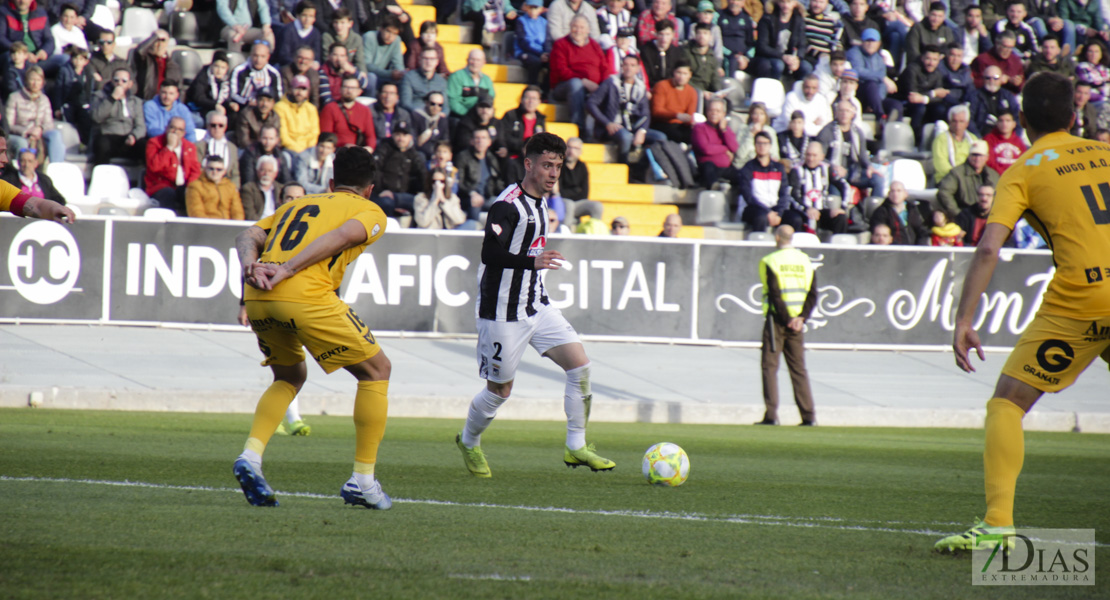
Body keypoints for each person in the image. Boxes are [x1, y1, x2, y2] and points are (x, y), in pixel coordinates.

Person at [936, 71, 1110, 552]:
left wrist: (964, 321)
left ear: (1026, 121)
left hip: (1083, 297)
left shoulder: (1023, 167)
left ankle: (997, 526)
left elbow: (990, 248)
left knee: (1007, 403)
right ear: (1075, 115)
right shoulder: (1106, 153)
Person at [231, 145, 392, 510]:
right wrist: (288, 269)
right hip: (305, 296)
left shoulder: (295, 205)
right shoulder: (370, 211)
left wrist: (249, 267)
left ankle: (251, 455)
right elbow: (344, 236)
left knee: (288, 377)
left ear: (332, 181)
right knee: (377, 371)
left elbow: (247, 237)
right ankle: (363, 481)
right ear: (369, 188)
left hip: (258, 295)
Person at [455, 132, 615, 479]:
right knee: (500, 390)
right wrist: (533, 263)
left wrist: (534, 269)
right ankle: (468, 440)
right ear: (528, 165)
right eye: (546, 165)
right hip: (500, 312)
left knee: (580, 366)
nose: (553, 173)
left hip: (535, 304)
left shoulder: (543, 201)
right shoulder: (507, 205)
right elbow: (490, 252)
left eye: (557, 165)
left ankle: (576, 446)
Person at [755, 225, 817, 426]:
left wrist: (787, 318)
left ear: (777, 237)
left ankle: (772, 415)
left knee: (770, 367)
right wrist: (801, 318)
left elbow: (774, 293)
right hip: (798, 324)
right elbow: (813, 293)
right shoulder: (805, 261)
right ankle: (809, 416)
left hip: (777, 322)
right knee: (799, 369)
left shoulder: (771, 261)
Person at [587, 54, 651, 163]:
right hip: (614, 127)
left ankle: (639, 171)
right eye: (625, 65)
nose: (628, 68)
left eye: (632, 65)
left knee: (660, 138)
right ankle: (623, 169)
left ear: (638, 69)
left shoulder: (640, 87)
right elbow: (591, 103)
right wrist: (607, 123)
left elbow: (646, 114)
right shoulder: (611, 82)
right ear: (621, 66)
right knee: (626, 137)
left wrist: (642, 130)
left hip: (633, 126)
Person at [550, 16, 608, 133]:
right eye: (575, 27)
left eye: (582, 27)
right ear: (570, 28)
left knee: (611, 84)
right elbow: (562, 71)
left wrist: (602, 86)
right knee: (576, 84)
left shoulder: (594, 45)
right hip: (565, 86)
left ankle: (605, 130)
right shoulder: (561, 44)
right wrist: (584, 81)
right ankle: (578, 128)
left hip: (594, 87)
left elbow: (605, 68)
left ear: (588, 30)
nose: (578, 30)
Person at [0, 135, 74, 222]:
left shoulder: (3, 188)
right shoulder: (9, 179)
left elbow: (37, 205)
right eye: (23, 161)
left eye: (30, 161)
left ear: (36, 163)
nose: (5, 160)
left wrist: (54, 208)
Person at [816, 100, 882, 196]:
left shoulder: (858, 132)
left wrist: (869, 166)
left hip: (854, 172)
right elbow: (819, 157)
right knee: (835, 194)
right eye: (841, 111)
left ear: (852, 114)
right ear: (836, 113)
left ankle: (873, 208)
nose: (844, 114)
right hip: (834, 174)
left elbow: (862, 155)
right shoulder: (827, 132)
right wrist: (833, 166)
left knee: (878, 179)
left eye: (847, 111)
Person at [785, 141, 850, 234]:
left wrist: (842, 208)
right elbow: (792, 195)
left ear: (822, 157)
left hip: (821, 211)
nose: (810, 158)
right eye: (808, 155)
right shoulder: (796, 170)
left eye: (814, 155)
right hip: (802, 211)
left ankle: (838, 247)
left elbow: (845, 186)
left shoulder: (827, 169)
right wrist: (806, 209)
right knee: (796, 219)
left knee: (841, 218)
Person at [5, 65, 64, 165]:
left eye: (38, 80)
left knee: (55, 135)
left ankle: (56, 167)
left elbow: (49, 123)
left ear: (42, 82)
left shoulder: (44, 99)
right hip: (20, 134)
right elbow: (8, 125)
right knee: (22, 143)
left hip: (39, 133)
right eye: (32, 79)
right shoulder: (14, 97)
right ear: (27, 80)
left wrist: (40, 129)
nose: (35, 83)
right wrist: (27, 131)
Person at [145, 116, 200, 214]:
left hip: (183, 185)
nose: (175, 132)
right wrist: (169, 148)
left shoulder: (190, 146)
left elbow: (195, 170)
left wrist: (190, 187)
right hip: (160, 185)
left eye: (180, 129)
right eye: (172, 127)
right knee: (168, 193)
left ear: (184, 133)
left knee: (192, 194)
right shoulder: (154, 143)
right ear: (167, 128)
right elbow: (154, 167)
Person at [847, 28, 902, 123]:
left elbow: (882, 85)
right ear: (862, 41)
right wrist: (882, 77)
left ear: (878, 43)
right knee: (871, 84)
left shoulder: (879, 58)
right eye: (867, 40)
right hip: (859, 94)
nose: (870, 44)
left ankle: (892, 130)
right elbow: (858, 71)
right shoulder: (854, 52)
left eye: (873, 41)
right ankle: (880, 117)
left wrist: (875, 101)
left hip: (875, 99)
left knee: (896, 105)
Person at [738, 131, 791, 229]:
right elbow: (748, 197)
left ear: (770, 146)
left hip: (775, 208)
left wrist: (778, 213)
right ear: (755, 145)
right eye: (759, 143)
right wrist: (767, 212)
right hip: (754, 209)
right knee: (761, 217)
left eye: (765, 143)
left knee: (794, 219)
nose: (762, 146)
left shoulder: (779, 168)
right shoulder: (748, 168)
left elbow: (784, 193)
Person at [371, 120, 425, 216]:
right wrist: (381, 190)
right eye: (398, 135)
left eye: (404, 135)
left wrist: (424, 193)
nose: (401, 138)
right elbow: (375, 170)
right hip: (383, 194)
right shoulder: (384, 148)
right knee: (386, 203)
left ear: (410, 137)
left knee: (422, 203)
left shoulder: (413, 154)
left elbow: (422, 173)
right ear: (393, 135)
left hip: (403, 195)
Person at [937, 140, 999, 219]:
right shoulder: (956, 173)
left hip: (988, 217)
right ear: (968, 156)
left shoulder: (993, 175)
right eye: (974, 155)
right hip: (965, 215)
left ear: (986, 157)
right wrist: (958, 214)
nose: (977, 159)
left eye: (980, 155)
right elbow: (944, 192)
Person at [455, 126, 504, 220]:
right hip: (469, 197)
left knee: (505, 205)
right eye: (477, 138)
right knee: (475, 202)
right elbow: (459, 182)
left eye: (483, 138)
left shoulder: (492, 158)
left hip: (488, 197)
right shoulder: (463, 157)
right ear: (471, 141)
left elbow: (497, 182)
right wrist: (472, 193)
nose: (480, 141)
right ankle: (472, 229)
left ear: (489, 142)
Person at [753, 0, 809, 80]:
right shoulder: (767, 19)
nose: (786, 5)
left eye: (789, 2)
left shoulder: (798, 20)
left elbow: (802, 44)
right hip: (771, 57)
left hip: (790, 58)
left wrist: (797, 58)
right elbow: (762, 46)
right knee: (778, 65)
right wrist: (782, 56)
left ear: (794, 3)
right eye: (783, 2)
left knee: (806, 67)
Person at [320, 75, 376, 149]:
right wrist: (343, 146)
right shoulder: (330, 108)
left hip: (357, 152)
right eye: (346, 87)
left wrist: (369, 149)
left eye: (353, 88)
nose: (349, 91)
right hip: (335, 151)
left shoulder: (365, 110)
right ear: (340, 89)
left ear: (359, 92)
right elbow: (325, 137)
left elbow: (371, 136)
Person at [692, 98, 738, 188]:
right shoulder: (699, 128)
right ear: (707, 112)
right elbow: (705, 149)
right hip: (707, 168)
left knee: (741, 174)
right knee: (708, 166)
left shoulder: (726, 129)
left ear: (723, 114)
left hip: (726, 168)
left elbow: (734, 147)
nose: (714, 113)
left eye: (718, 111)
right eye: (711, 110)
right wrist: (725, 148)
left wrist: (723, 130)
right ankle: (714, 188)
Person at [867, 180, 930, 245]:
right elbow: (879, 235)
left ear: (905, 194)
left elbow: (922, 232)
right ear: (889, 194)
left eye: (899, 191)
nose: (895, 194)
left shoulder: (912, 209)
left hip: (913, 250)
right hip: (893, 251)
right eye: (893, 191)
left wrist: (919, 250)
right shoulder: (881, 212)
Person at [650, 60, 697, 144]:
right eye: (679, 73)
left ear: (690, 75)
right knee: (677, 135)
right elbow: (657, 111)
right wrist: (676, 115)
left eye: (685, 74)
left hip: (681, 125)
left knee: (696, 135)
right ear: (673, 72)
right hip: (663, 123)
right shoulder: (662, 86)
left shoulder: (692, 92)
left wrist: (692, 121)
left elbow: (690, 114)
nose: (681, 77)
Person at [229, 41, 283, 114]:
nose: (258, 60)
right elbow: (233, 94)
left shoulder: (274, 73)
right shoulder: (239, 70)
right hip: (243, 108)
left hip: (266, 110)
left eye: (262, 56)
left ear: (268, 56)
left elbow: (278, 96)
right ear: (250, 55)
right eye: (255, 55)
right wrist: (247, 102)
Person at [185, 155, 245, 219]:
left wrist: (235, 227)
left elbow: (237, 212)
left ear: (224, 172)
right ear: (205, 169)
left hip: (228, 225)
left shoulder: (231, 187)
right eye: (211, 169)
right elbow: (196, 212)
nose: (215, 172)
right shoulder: (195, 186)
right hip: (207, 225)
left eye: (219, 169)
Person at [129, 30, 182, 102]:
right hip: (147, 101)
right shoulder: (144, 60)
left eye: (163, 40)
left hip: (166, 104)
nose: (160, 44)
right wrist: (154, 37)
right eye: (156, 41)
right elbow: (139, 51)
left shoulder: (173, 66)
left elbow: (179, 89)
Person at [274, 75, 320, 157]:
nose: (300, 92)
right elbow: (283, 135)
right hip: (288, 149)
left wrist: (307, 150)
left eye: (303, 89)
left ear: (308, 92)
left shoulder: (311, 109)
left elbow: (314, 133)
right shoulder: (279, 107)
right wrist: (299, 151)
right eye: (297, 88)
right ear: (290, 89)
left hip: (309, 150)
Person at [970, 64, 1021, 137]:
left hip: (1004, 139)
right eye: (988, 78)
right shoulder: (974, 96)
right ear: (983, 79)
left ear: (1001, 79)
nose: (991, 81)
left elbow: (1018, 117)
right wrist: (977, 137)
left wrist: (1014, 138)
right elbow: (969, 120)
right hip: (982, 137)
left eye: (995, 78)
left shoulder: (1008, 96)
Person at [932, 104, 979, 182]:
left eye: (961, 122)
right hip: (947, 179)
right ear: (949, 122)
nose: (957, 125)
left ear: (967, 123)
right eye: (954, 121)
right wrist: (959, 177)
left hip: (969, 179)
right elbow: (941, 165)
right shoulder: (941, 139)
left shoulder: (973, 138)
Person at [362, 14, 406, 96]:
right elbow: (367, 65)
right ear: (381, 29)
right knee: (372, 77)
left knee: (404, 80)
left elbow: (398, 64)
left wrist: (401, 73)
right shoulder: (369, 37)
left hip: (383, 75)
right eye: (388, 31)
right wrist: (389, 74)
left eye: (394, 34)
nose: (390, 36)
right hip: (366, 74)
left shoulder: (396, 40)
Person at [197, 111, 241, 187]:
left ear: (225, 127)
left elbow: (235, 175)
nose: (217, 128)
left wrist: (233, 190)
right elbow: (197, 170)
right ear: (207, 126)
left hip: (226, 188)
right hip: (204, 186)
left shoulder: (232, 148)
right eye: (213, 125)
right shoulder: (198, 146)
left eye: (221, 125)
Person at [400, 48, 448, 114]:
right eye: (425, 58)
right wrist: (419, 114)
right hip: (414, 115)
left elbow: (446, 107)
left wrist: (442, 114)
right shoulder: (409, 77)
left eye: (432, 59)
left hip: (435, 117)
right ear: (419, 60)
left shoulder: (441, 82)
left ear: (437, 62)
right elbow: (405, 103)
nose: (428, 62)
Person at [187, 52, 233, 121]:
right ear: (211, 65)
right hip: (199, 109)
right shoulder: (203, 76)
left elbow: (227, 98)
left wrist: (230, 103)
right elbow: (199, 98)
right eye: (217, 66)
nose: (219, 71)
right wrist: (215, 105)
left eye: (223, 68)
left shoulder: (226, 81)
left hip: (218, 109)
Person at [273, 2, 322, 67]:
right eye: (304, 15)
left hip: (307, 67)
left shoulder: (316, 33)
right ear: (298, 16)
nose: (307, 19)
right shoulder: (288, 30)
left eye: (311, 16)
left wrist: (314, 63)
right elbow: (283, 56)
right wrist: (299, 64)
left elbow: (316, 56)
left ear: (314, 18)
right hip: (288, 67)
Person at [640, 19, 682, 87]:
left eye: (667, 34)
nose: (664, 38)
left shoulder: (677, 52)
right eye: (661, 34)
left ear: (673, 35)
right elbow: (646, 75)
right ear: (656, 34)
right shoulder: (646, 51)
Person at [323, 9, 365, 73]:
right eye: (336, 22)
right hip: (332, 71)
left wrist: (362, 73)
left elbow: (359, 61)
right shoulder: (327, 37)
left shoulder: (356, 39)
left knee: (371, 77)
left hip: (350, 71)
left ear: (350, 24)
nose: (339, 26)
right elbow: (326, 58)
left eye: (342, 22)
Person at [412, 90, 450, 158]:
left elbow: (445, 141)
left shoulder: (442, 120)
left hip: (436, 154)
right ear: (427, 103)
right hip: (420, 152)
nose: (436, 107)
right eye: (433, 104)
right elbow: (413, 141)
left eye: (440, 105)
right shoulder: (416, 116)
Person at [558, 137, 589, 201]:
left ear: (580, 151)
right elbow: (559, 192)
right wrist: (576, 190)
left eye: (575, 148)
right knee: (569, 205)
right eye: (569, 147)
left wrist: (572, 191)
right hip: (563, 200)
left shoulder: (582, 167)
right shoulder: (559, 165)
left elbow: (585, 193)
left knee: (597, 206)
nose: (571, 151)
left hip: (579, 201)